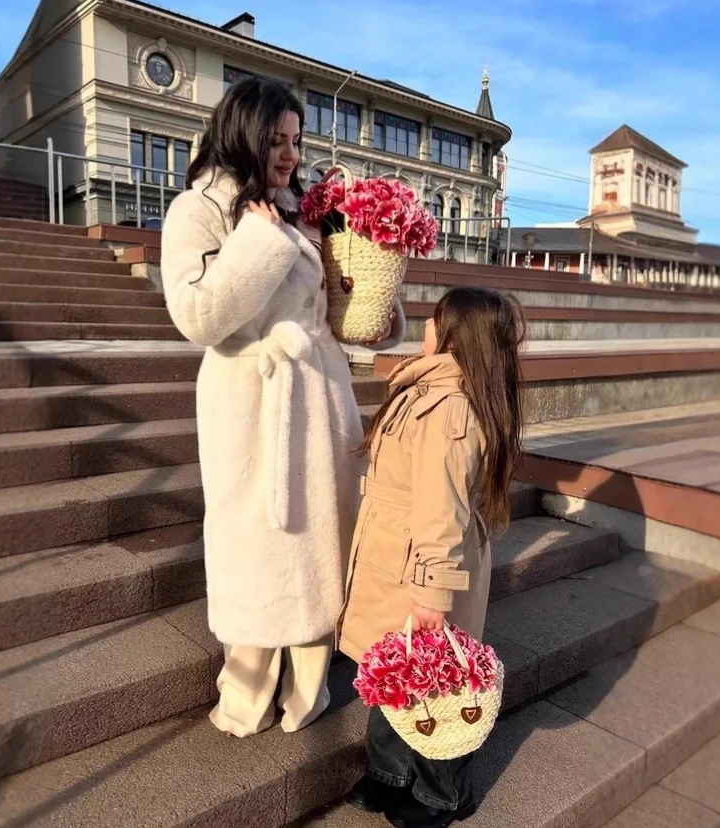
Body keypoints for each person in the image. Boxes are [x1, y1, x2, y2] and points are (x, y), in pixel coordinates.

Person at [160, 78, 405, 738]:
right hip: (251, 400)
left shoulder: (303, 206)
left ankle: (308, 687)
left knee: (320, 539)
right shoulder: (197, 209)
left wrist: (377, 316)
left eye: (297, 140)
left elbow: (331, 303)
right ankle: (244, 694)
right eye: (278, 139)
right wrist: (260, 243)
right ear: (244, 132)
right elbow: (198, 315)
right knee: (256, 543)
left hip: (320, 393)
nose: (291, 154)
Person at [337, 286, 525, 828]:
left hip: (419, 566)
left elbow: (440, 511)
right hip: (396, 556)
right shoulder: (431, 390)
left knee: (437, 685)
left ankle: (441, 795)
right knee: (394, 675)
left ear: (452, 335)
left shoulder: (449, 408)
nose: (422, 328)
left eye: (432, 321)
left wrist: (431, 595)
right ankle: (389, 776)